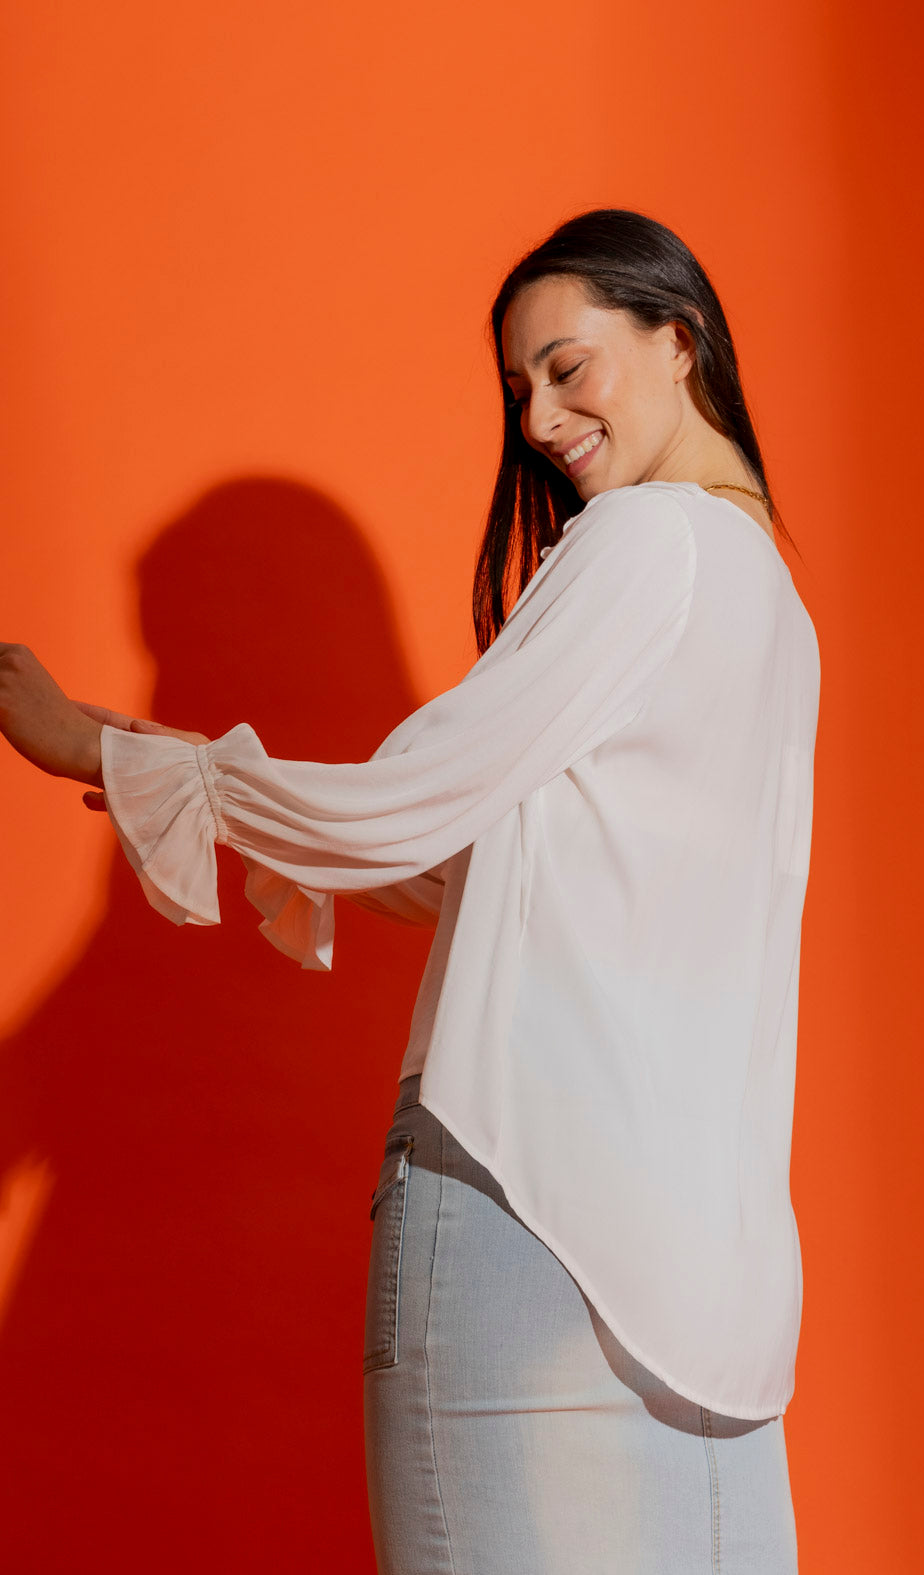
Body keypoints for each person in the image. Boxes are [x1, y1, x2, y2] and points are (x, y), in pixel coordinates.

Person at [0, 207, 820, 1573]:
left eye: (569, 367)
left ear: (675, 339)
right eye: (518, 391)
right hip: (699, 1259)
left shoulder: (643, 545)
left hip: (522, 1195)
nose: (543, 417)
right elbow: (470, 870)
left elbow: (397, 815)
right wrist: (197, 793)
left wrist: (114, 748)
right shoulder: (769, 602)